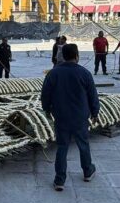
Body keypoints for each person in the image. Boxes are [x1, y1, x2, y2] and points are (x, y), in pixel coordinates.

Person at [41, 44, 100, 191]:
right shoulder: (85, 73)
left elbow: (45, 94)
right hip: (80, 117)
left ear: (63, 56)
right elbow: (93, 96)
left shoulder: (53, 73)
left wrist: (47, 109)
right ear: (77, 56)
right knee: (83, 144)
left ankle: (59, 180)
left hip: (61, 116)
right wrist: (95, 113)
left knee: (62, 146)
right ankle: (88, 171)